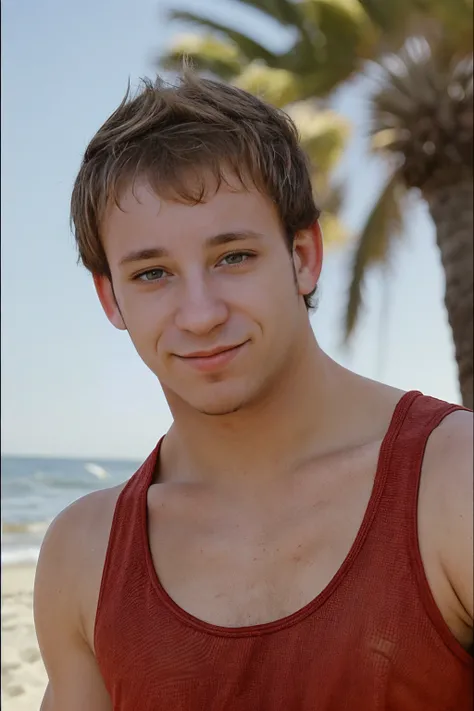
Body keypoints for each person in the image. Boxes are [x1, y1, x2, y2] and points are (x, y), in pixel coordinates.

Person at [34, 70, 473, 711]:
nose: (201, 313)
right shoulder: (84, 556)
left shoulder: (453, 485)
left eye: (232, 256)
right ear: (112, 299)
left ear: (303, 256)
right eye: (153, 273)